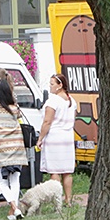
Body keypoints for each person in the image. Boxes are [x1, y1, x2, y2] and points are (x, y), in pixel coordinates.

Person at [0, 79, 27, 220]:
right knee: (15, 179)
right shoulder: (15, 108)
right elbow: (19, 116)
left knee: (1, 181)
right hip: (16, 147)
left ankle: (14, 208)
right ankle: (15, 210)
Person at [37, 73, 77, 205]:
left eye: (52, 84)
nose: (50, 86)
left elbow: (47, 121)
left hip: (54, 137)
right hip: (67, 137)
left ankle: (58, 200)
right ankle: (69, 199)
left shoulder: (53, 101)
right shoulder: (72, 101)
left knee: (54, 171)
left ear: (60, 85)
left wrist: (40, 138)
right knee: (67, 171)